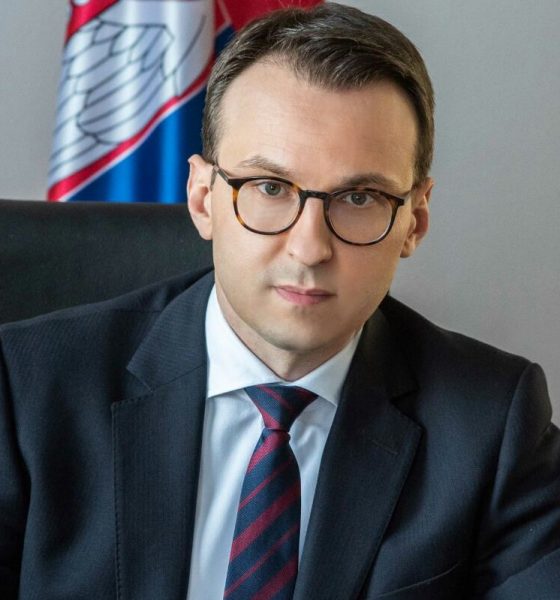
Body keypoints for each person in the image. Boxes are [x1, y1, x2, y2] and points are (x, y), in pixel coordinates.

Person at [1, 3, 559, 599]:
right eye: (270, 187)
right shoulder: (26, 387)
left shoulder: (491, 425)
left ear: (414, 222)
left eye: (360, 197)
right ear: (202, 198)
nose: (310, 247)